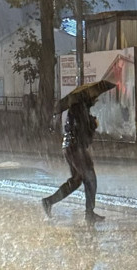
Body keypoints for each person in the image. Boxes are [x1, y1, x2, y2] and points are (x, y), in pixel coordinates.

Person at [41, 94, 105, 224]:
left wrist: (90, 121)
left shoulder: (78, 109)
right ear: (87, 98)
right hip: (76, 148)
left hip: (70, 146)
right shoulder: (80, 109)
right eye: (93, 98)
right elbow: (82, 132)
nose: (95, 100)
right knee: (90, 178)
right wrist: (92, 124)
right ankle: (89, 214)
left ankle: (49, 201)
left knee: (76, 180)